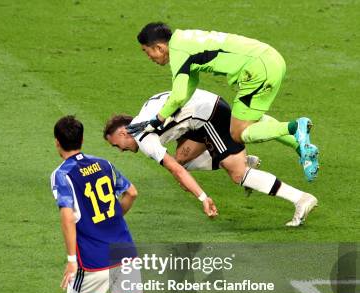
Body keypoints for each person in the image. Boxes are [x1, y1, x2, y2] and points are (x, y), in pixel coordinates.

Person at [50, 115, 171, 293]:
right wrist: (111, 219)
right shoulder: (103, 164)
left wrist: (71, 259)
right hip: (124, 249)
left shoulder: (62, 174)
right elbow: (131, 192)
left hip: (94, 258)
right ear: (81, 139)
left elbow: (67, 216)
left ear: (58, 143)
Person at [134, 22, 319, 182]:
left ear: (159, 47)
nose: (149, 57)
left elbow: (178, 95)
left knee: (239, 133)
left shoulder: (178, 52)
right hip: (272, 59)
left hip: (256, 71)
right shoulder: (183, 39)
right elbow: (189, 85)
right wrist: (169, 113)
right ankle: (301, 147)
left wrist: (157, 120)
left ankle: (295, 127)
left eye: (147, 51)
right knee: (251, 119)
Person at [105, 89, 318, 226]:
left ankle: (300, 198)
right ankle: (238, 158)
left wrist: (202, 197)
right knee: (181, 159)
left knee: (238, 175)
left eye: (117, 145)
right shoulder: (144, 111)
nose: (121, 150)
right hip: (201, 113)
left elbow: (175, 171)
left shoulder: (143, 139)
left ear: (123, 133)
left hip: (211, 117)